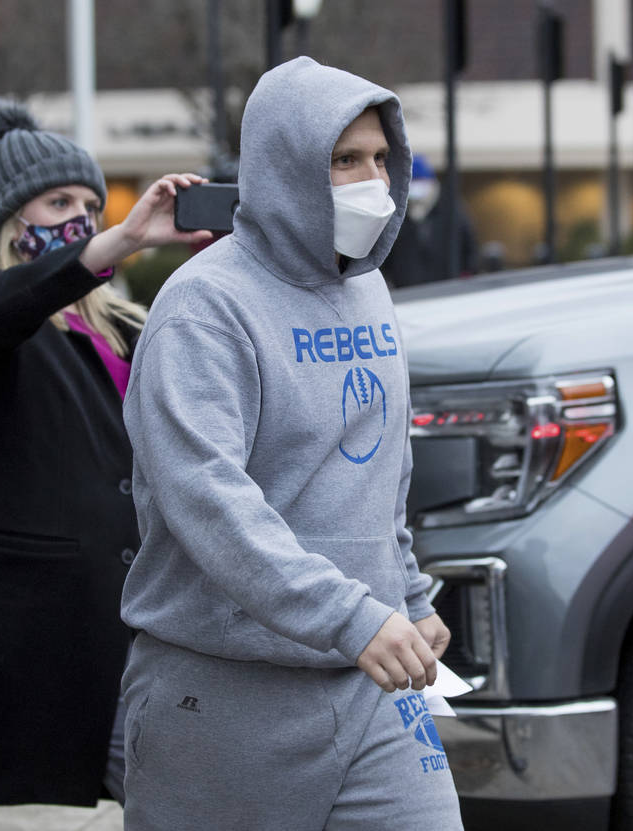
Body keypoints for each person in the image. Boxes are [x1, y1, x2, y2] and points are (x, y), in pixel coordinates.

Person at [119, 56, 465, 829]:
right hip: (222, 697)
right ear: (284, 166)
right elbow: (209, 502)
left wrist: (408, 597)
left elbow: (383, 471)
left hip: (372, 686)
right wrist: (356, 616)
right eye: (346, 160)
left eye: (380, 158)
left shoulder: (370, 289)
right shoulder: (204, 307)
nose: (372, 179)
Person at [0, 101, 211, 809]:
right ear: (11, 216)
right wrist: (112, 247)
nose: (80, 216)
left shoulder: (123, 326)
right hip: (23, 643)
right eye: (58, 200)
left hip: (128, 622)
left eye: (91, 204)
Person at [382, 153, 479, 287]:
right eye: (412, 182)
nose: (416, 188)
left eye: (419, 181)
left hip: (446, 288)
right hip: (407, 291)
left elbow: (469, 247)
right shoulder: (396, 211)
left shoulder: (451, 209)